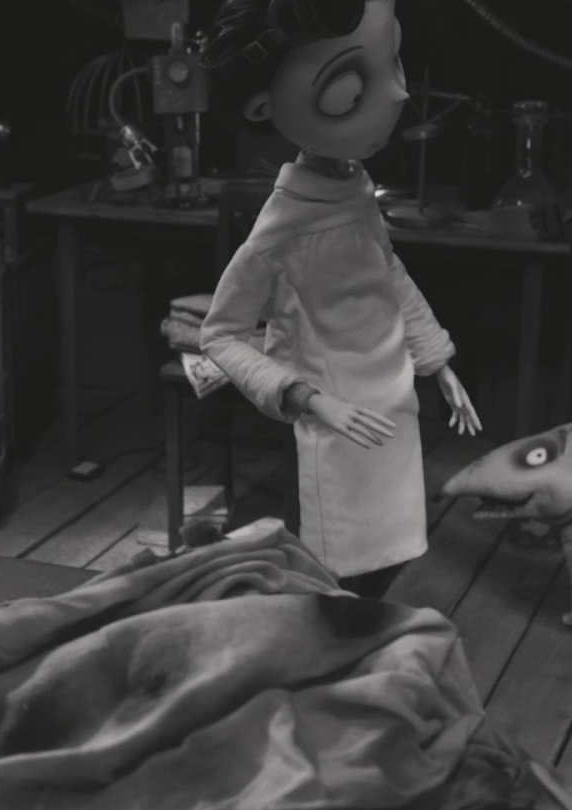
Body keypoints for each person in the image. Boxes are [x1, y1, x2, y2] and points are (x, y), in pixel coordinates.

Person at [198, 0, 482, 598]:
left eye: (394, 59)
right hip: (330, 417)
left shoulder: (353, 193)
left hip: (391, 400)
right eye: (350, 91)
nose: (398, 94)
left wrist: (437, 362)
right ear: (264, 108)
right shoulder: (279, 233)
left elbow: (388, 272)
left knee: (391, 544)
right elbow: (219, 335)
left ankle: (361, 624)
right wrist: (307, 399)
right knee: (328, 558)